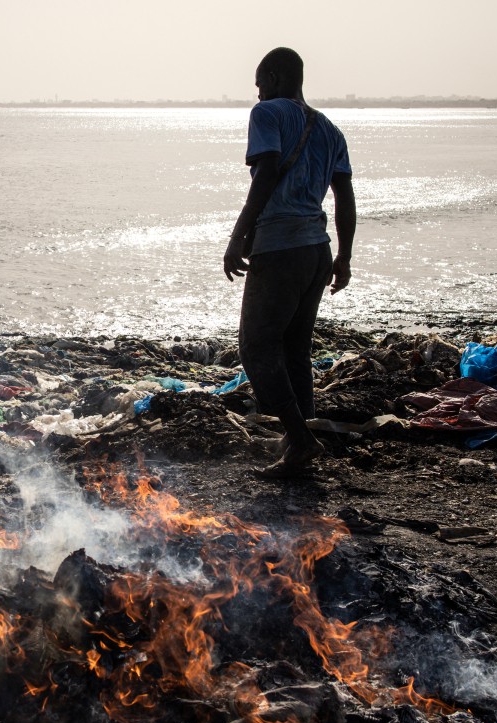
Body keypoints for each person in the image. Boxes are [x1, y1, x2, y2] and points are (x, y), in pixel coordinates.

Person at [222, 47, 356, 478]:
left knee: (256, 347)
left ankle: (300, 439)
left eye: (260, 83)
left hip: (280, 248)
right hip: (317, 250)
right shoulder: (330, 129)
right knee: (296, 348)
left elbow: (266, 173)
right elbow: (344, 196)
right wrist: (344, 256)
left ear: (276, 77)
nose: (258, 92)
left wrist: (238, 236)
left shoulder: (268, 114)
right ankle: (302, 436)